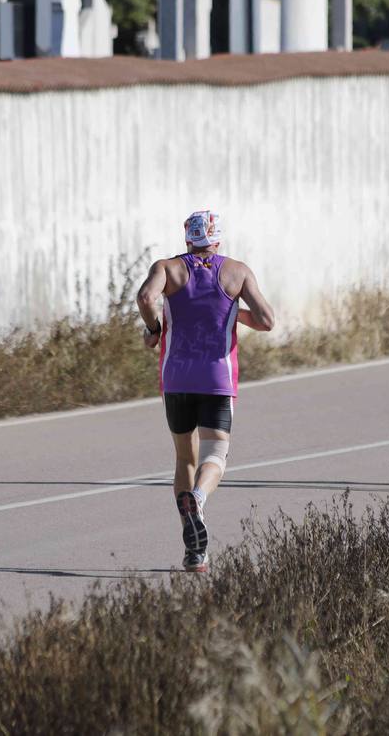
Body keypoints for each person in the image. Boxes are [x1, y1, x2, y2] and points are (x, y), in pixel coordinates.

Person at [136, 211, 275, 573]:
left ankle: (195, 552)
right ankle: (198, 498)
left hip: (176, 378)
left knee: (185, 458)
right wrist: (233, 312)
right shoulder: (237, 271)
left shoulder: (167, 267)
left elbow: (145, 297)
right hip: (217, 378)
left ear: (187, 238)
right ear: (218, 239)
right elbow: (267, 320)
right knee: (218, 451)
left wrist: (153, 329)